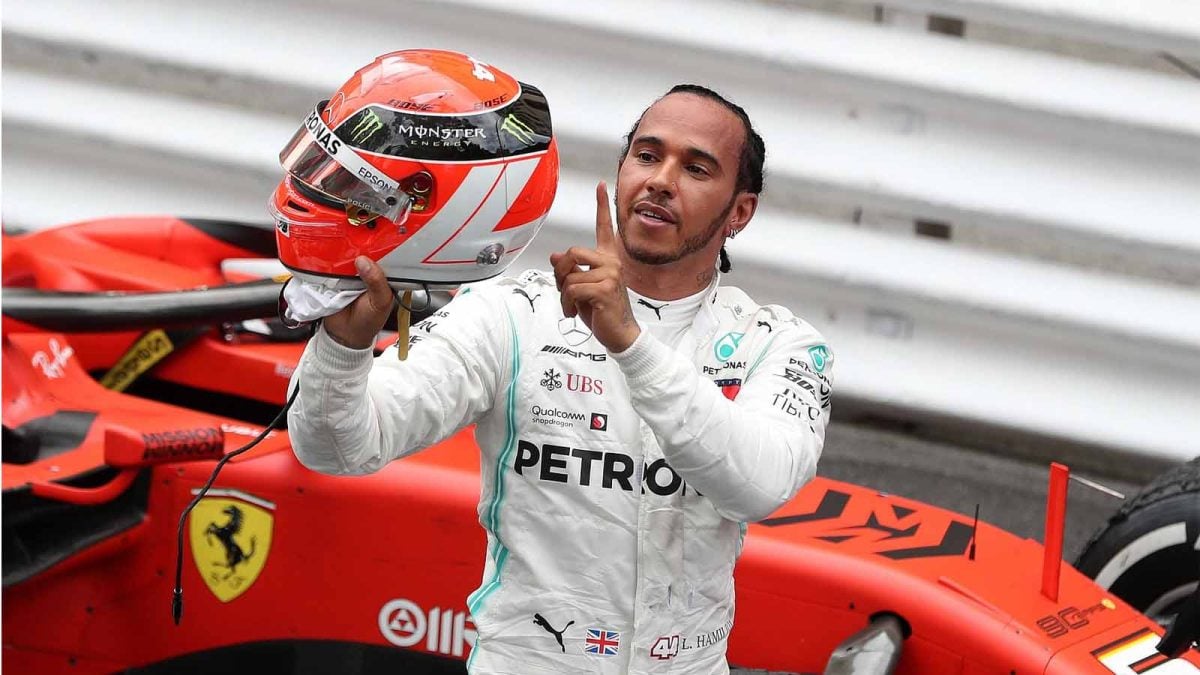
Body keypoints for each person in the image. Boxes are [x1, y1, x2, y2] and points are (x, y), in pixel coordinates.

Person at [288, 82, 835, 674]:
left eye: (696, 168)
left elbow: (758, 486)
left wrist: (629, 342)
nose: (661, 180)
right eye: (647, 156)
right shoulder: (512, 311)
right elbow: (336, 449)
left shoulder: (780, 342)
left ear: (740, 212)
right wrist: (341, 347)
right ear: (622, 171)